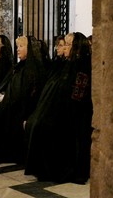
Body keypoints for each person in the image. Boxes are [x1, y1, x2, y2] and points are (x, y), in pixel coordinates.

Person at [24, 32, 93, 185]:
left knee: (46, 127)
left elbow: (77, 97)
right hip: (62, 111)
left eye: (68, 44)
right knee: (38, 125)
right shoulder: (66, 64)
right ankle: (44, 169)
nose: (65, 47)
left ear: (76, 47)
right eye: (65, 44)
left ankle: (56, 170)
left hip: (73, 115)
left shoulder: (82, 65)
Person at [0, 35, 51, 166]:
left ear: (30, 49)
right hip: (11, 101)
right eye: (17, 46)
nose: (18, 49)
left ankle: (3, 152)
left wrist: (9, 100)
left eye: (21, 46)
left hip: (23, 107)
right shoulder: (19, 66)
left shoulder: (33, 69)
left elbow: (28, 94)